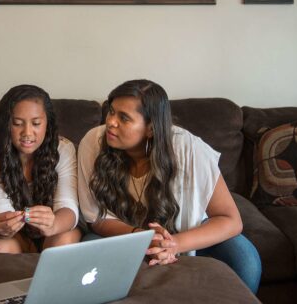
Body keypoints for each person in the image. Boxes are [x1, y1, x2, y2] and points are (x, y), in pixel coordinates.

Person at [77, 80, 261, 293]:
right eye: (111, 112)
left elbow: (230, 220)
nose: (111, 122)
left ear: (150, 129)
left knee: (245, 258)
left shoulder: (189, 150)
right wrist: (143, 237)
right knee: (87, 250)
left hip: (183, 233)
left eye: (124, 118)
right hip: (124, 233)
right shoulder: (93, 142)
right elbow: (96, 218)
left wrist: (173, 244)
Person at [0, 85, 81, 253]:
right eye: (17, 123)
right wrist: (3, 224)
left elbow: (68, 205)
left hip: (57, 229)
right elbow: (3, 208)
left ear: (47, 123)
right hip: (16, 235)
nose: (27, 133)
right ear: (6, 124)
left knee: (63, 244)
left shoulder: (64, 149)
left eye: (36, 123)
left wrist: (53, 224)